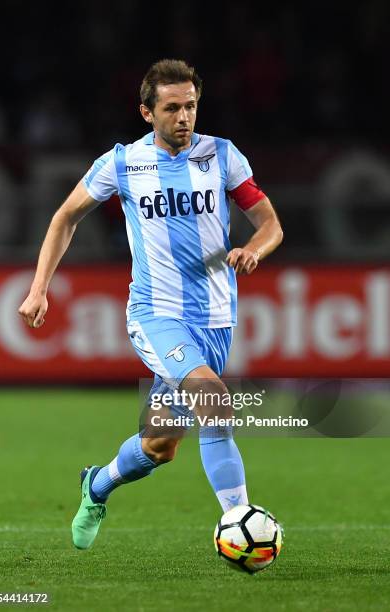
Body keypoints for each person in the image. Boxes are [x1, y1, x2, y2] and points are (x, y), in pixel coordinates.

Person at [18, 59, 283, 550]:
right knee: (214, 400)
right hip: (155, 315)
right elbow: (65, 218)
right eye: (172, 108)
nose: (184, 117)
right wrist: (38, 288)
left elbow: (271, 224)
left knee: (159, 446)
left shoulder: (223, 156)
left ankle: (95, 485)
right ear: (146, 112)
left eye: (191, 106)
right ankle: (240, 523)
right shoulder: (121, 164)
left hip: (217, 320)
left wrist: (253, 249)